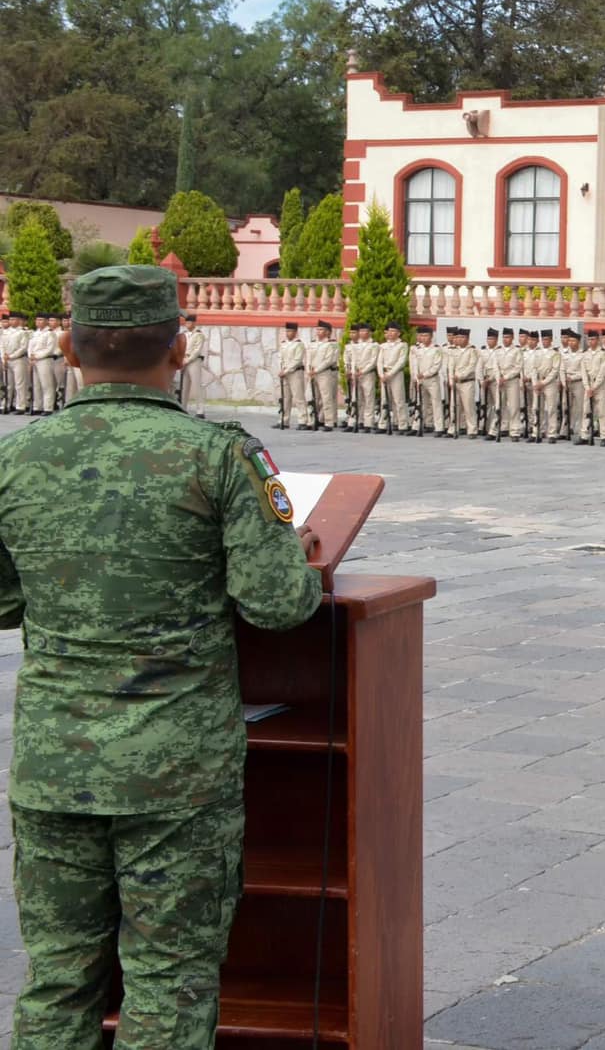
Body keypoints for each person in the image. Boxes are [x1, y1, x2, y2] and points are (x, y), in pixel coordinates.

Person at [1, 265, 325, 1046]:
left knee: (57, 983)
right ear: (179, 350)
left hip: (53, 768)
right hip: (174, 775)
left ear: (70, 353)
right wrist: (298, 558)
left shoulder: (17, 458)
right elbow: (278, 604)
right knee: (168, 985)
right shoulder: (215, 456)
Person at [277, 321, 308, 429]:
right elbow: (280, 357)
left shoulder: (299, 344)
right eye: (287, 331)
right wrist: (281, 369)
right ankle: (284, 420)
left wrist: (286, 371)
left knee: (298, 397)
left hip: (295, 373)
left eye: (290, 331)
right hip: (284, 373)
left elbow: (297, 360)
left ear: (295, 332)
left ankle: (303, 421)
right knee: (285, 398)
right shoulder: (283, 344)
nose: (288, 333)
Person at [177, 314, 207, 418]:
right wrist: (181, 360)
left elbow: (197, 351)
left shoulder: (199, 335)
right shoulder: (184, 334)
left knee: (196, 386)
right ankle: (183, 408)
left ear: (194, 323)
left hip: (194, 361)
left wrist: (187, 360)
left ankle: (200, 411)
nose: (187, 324)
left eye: (189, 322)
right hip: (184, 360)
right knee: (184, 386)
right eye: (186, 322)